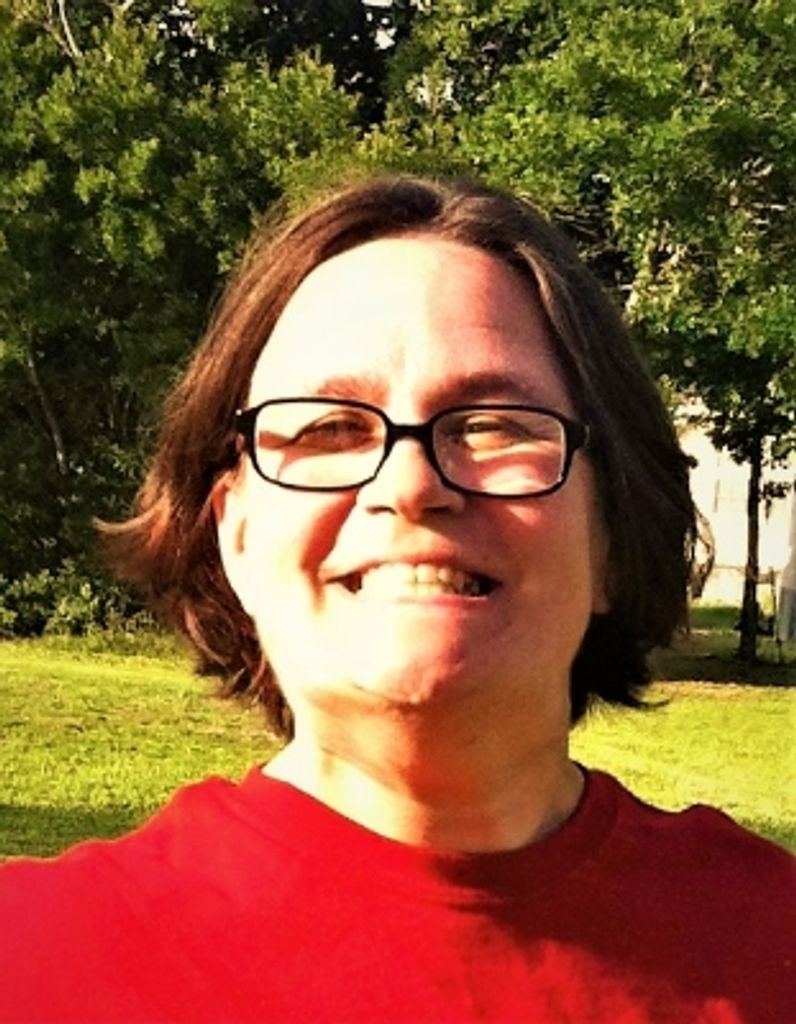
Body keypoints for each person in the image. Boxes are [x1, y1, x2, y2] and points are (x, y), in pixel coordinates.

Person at [0, 174, 793, 1023]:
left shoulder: (769, 943)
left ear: (610, 534)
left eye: (492, 424)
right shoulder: (33, 962)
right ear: (237, 535)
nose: (409, 486)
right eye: (330, 428)